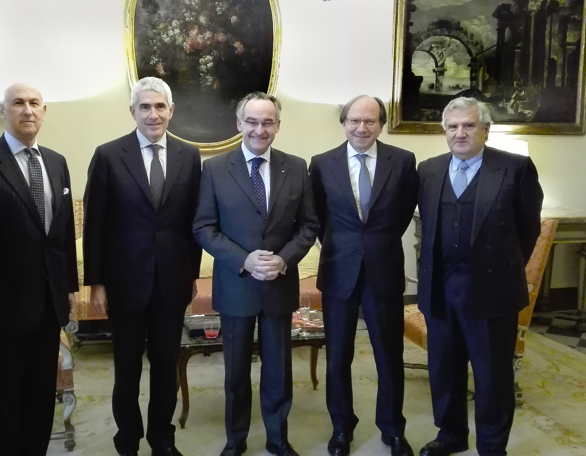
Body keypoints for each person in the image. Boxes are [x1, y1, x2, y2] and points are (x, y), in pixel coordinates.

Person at [193, 92, 319, 456]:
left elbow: (308, 225)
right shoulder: (215, 169)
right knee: (235, 374)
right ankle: (236, 441)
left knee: (278, 371)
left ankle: (278, 440)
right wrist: (244, 260)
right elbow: (204, 226)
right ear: (239, 124)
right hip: (237, 285)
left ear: (277, 125)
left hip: (279, 285)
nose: (259, 129)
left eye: (267, 122)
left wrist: (284, 259)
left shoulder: (296, 167)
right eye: (252, 121)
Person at [416, 97, 543, 456]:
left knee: (492, 377)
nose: (460, 133)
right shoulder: (428, 170)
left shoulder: (515, 168)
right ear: (444, 131)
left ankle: (491, 446)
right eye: (453, 127)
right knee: (444, 370)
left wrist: (503, 270)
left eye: (469, 125)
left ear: (485, 129)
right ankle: (451, 435)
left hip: (491, 291)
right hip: (440, 288)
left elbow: (527, 230)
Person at [82, 76, 202, 456]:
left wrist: (193, 275)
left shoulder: (189, 155)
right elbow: (94, 224)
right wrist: (96, 282)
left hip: (172, 281)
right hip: (124, 282)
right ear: (132, 111)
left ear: (171, 111)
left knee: (166, 367)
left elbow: (192, 223)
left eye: (160, 106)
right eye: (145, 107)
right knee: (127, 368)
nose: (153, 114)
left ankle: (162, 438)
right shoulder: (107, 154)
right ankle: (128, 439)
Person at [0, 83, 79, 456]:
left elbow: (62, 235)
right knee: (5, 405)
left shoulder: (57, 162)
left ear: (44, 112)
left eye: (34, 103)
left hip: (47, 306)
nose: (27, 110)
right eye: (18, 103)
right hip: (0, 309)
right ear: (2, 111)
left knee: (40, 401)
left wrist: (70, 287)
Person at [309, 95, 418, 456]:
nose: (361, 127)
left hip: (384, 270)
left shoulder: (402, 161)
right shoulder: (322, 164)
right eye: (354, 120)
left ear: (381, 124)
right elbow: (319, 218)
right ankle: (342, 428)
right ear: (343, 123)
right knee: (338, 356)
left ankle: (392, 428)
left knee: (389, 353)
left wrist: (374, 244)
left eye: (370, 121)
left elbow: (401, 214)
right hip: (339, 271)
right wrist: (346, 247)